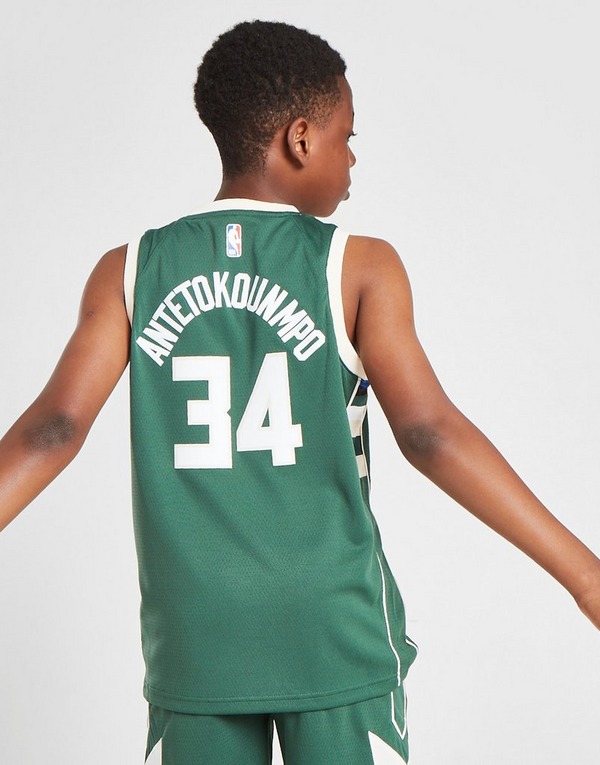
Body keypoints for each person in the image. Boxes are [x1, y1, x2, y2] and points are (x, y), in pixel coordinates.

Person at [1, 19, 599, 765]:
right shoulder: (357, 266)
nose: (354, 157)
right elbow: (430, 434)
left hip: (196, 641)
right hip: (332, 631)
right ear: (301, 139)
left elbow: (53, 429)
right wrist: (585, 576)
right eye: (348, 136)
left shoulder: (129, 270)